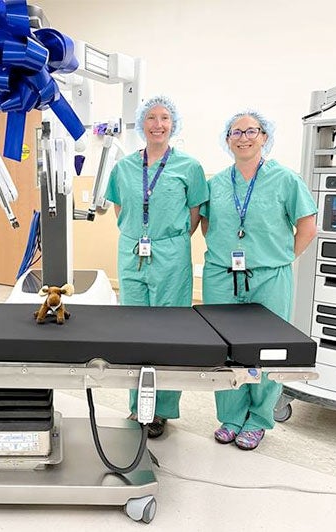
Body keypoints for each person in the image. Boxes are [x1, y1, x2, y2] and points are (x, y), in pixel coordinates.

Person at [200, 110, 317, 450]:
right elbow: (208, 225)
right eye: (236, 132)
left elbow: (307, 228)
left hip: (269, 277)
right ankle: (231, 417)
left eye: (252, 131)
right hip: (222, 276)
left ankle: (259, 417)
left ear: (265, 137)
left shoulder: (285, 179)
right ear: (227, 140)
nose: (244, 137)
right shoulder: (218, 182)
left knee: (267, 349)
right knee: (225, 350)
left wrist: (278, 260)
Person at [103, 95, 208, 438]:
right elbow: (121, 211)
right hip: (133, 251)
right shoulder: (124, 167)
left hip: (171, 254)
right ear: (141, 124)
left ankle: (161, 409)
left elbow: (194, 214)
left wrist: (170, 243)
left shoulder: (189, 167)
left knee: (168, 331)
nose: (158, 124)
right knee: (134, 330)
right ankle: (138, 405)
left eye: (164, 118)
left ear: (173, 124)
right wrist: (141, 235)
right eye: (151, 118)